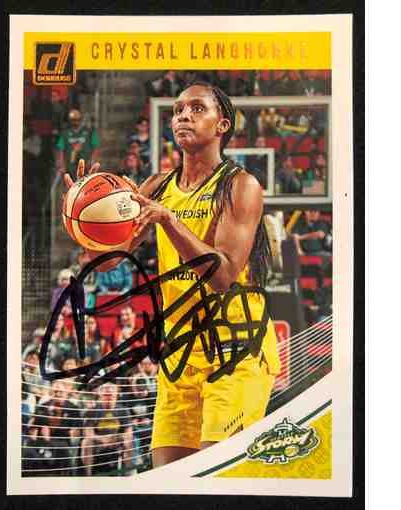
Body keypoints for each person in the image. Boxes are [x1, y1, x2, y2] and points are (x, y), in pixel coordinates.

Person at [63, 82, 281, 469]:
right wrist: (86, 221)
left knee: (218, 476)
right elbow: (108, 262)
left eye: (197, 109)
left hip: (236, 348)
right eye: (179, 109)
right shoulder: (157, 185)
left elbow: (223, 276)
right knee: (169, 478)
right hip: (180, 352)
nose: (183, 116)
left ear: (222, 125)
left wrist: (170, 220)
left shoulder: (240, 185)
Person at [80, 383, 134, 476]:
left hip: (115, 440)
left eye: (111, 395)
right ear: (100, 395)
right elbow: (88, 434)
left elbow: (129, 432)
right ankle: (87, 475)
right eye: (106, 395)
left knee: (128, 441)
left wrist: (116, 438)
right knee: (86, 442)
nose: (109, 398)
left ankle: (129, 474)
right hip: (98, 442)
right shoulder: (92, 410)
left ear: (116, 395)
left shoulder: (123, 410)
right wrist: (102, 439)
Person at [55, 108, 100, 179]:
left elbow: (96, 147)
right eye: (73, 120)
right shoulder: (65, 133)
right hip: (70, 166)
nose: (75, 122)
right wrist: (61, 164)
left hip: (86, 165)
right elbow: (60, 149)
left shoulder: (90, 132)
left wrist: (92, 160)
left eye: (77, 120)